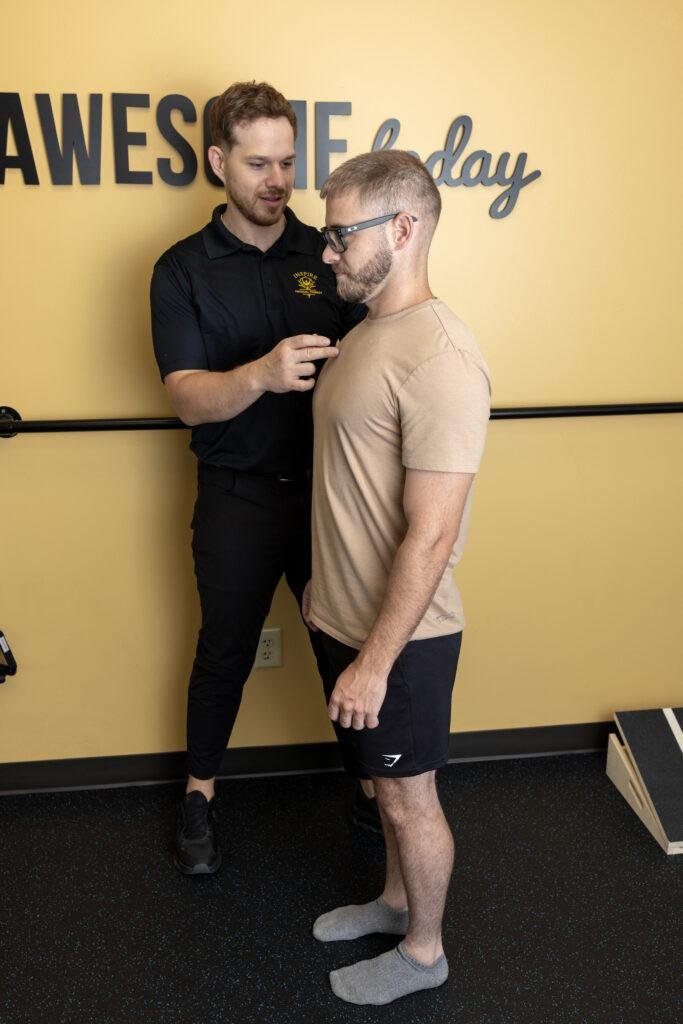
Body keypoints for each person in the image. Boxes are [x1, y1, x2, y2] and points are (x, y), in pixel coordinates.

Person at [150, 81, 366, 875]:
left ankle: (377, 793)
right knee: (224, 650)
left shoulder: (329, 253)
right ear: (218, 161)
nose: (276, 179)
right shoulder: (181, 269)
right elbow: (185, 398)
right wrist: (263, 375)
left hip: (331, 501)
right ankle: (199, 797)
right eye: (257, 163)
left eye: (286, 162)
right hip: (236, 495)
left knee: (344, 651)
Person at [302, 150, 491, 1004]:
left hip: (400, 639)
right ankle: (390, 901)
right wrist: (322, 597)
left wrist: (375, 661)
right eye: (326, 233)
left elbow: (432, 532)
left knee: (411, 799)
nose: (328, 251)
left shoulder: (441, 355)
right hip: (340, 617)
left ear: (402, 228)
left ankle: (424, 951)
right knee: (381, 784)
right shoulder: (368, 333)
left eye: (341, 235)